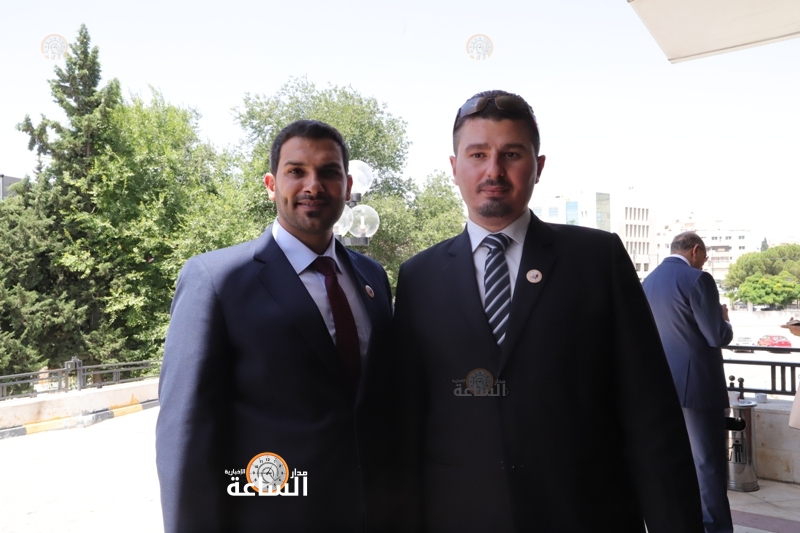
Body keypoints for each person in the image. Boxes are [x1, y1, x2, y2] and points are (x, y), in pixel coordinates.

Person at [392, 90, 704, 532]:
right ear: (454, 167)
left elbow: (649, 409)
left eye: (511, 154)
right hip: (462, 516)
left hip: (586, 514)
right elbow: (408, 419)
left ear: (538, 167)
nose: (493, 170)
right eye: (477, 154)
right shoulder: (418, 276)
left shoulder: (597, 259)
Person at [156, 120, 395, 532]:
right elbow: (185, 435)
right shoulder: (215, 280)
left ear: (348, 186)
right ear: (271, 185)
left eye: (329, 172)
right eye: (296, 171)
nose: (313, 185)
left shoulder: (372, 277)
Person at [642, 231, 734, 533]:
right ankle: (715, 529)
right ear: (695, 250)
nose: (704, 262)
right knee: (709, 465)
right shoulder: (697, 279)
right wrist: (725, 319)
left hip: (661, 386)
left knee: (677, 463)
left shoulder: (648, 281)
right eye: (704, 256)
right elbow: (716, 335)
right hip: (698, 388)